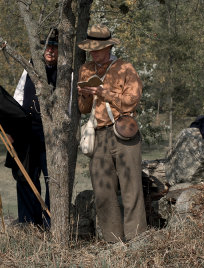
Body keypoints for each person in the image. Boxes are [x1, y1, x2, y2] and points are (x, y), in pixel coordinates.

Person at [77, 24, 147, 242]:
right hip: (98, 135)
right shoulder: (86, 69)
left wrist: (104, 93)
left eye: (97, 49)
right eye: (91, 49)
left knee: (131, 189)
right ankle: (112, 243)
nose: (93, 53)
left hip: (123, 132)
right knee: (103, 192)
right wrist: (86, 95)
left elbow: (131, 102)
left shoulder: (125, 68)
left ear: (108, 47)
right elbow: (82, 109)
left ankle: (137, 241)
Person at [7, 29, 58, 227]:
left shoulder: (65, 73)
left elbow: (69, 108)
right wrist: (11, 128)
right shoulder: (29, 67)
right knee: (26, 176)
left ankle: (51, 225)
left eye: (54, 47)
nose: (51, 51)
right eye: (47, 46)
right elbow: (18, 98)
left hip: (52, 135)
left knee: (52, 181)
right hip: (27, 132)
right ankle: (29, 223)